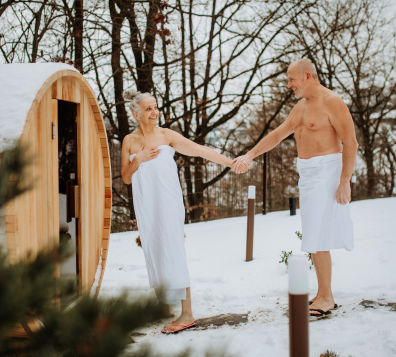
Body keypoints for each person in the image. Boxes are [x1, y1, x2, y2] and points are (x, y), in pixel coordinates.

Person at [232, 59, 357, 319]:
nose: (289, 85)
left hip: (327, 172)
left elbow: (351, 143)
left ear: (307, 76)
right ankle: (324, 292)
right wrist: (251, 154)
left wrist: (345, 181)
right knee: (313, 233)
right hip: (308, 173)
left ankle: (327, 296)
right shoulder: (301, 107)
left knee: (318, 233)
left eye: (292, 80)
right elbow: (278, 134)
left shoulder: (332, 102)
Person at [121, 89, 233, 333]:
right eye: (148, 108)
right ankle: (164, 306)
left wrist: (230, 162)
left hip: (168, 202)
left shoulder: (166, 135)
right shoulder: (129, 141)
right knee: (154, 248)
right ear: (136, 113)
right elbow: (126, 178)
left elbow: (200, 150)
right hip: (146, 205)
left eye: (155, 107)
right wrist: (137, 158)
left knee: (172, 249)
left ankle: (187, 313)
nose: (154, 112)